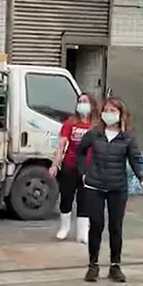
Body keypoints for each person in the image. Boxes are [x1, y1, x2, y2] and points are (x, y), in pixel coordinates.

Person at [77, 97, 143, 283]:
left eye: (113, 111)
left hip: (117, 188)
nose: (109, 114)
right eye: (106, 110)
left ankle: (115, 266)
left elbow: (136, 160)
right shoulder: (94, 134)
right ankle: (93, 265)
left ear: (120, 114)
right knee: (96, 225)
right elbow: (80, 151)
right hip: (94, 185)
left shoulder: (127, 137)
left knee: (115, 227)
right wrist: (84, 172)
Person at [50, 93, 98, 243]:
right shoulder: (70, 123)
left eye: (85, 101)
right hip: (70, 165)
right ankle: (64, 228)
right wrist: (55, 164)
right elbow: (61, 145)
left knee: (84, 199)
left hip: (89, 169)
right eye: (80, 101)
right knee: (66, 197)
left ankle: (83, 232)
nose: (82, 104)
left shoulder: (96, 125)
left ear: (92, 104)